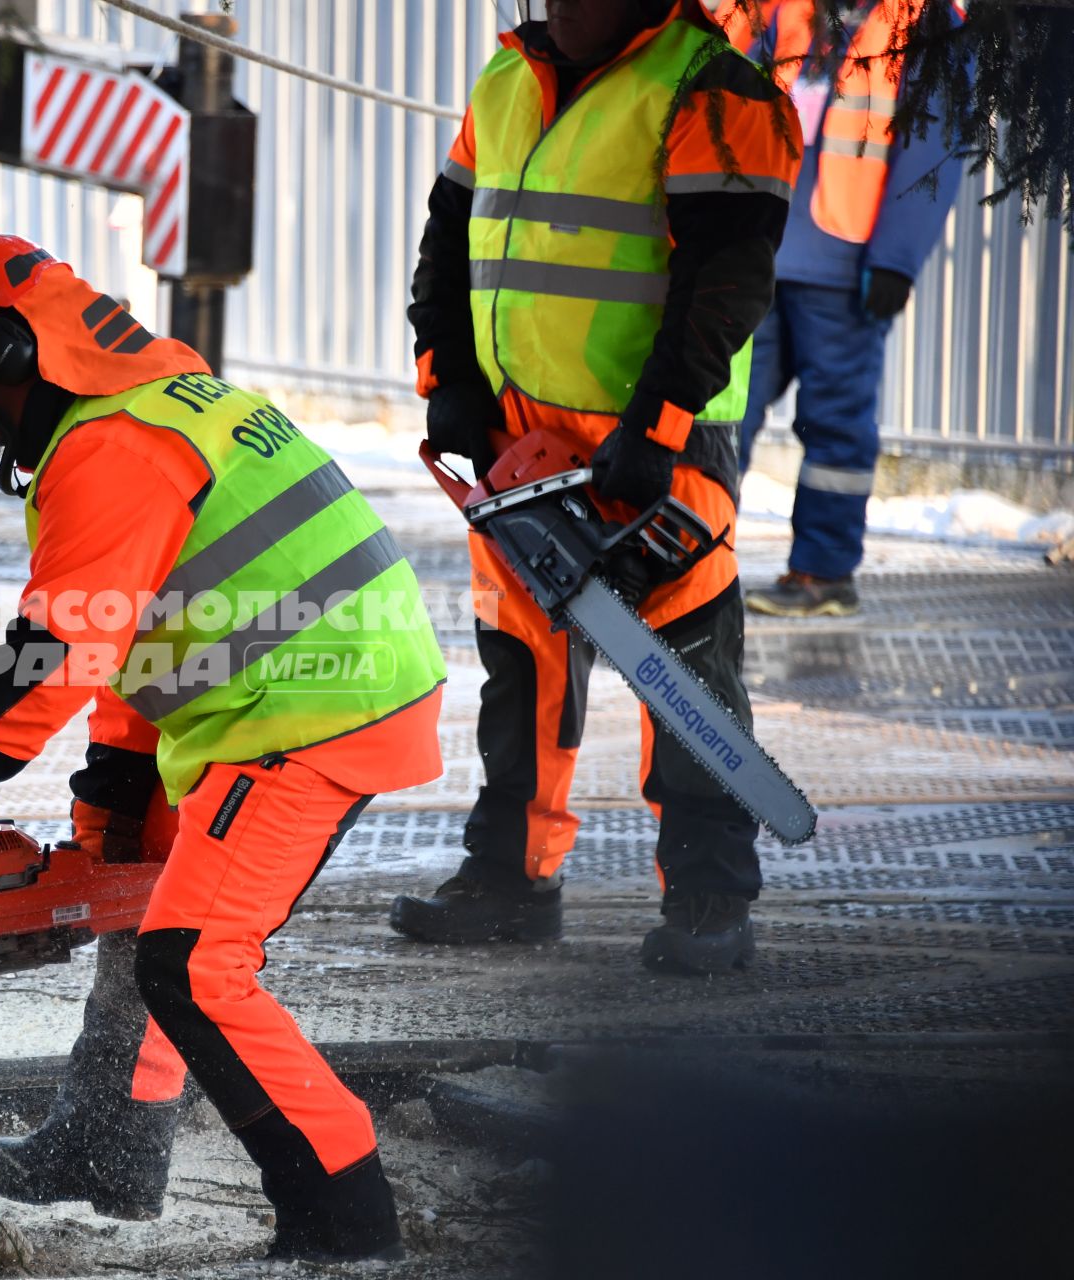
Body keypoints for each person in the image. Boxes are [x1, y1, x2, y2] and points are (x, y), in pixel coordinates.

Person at [0, 232, 448, 1260]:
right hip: (285, 692)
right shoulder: (158, 398)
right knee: (135, 879)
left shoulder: (109, 448)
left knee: (194, 961)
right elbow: (142, 616)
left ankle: (346, 1213)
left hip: (314, 714)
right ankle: (110, 1149)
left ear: (18, 354)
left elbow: (58, 643)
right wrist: (116, 778)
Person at [392, 0, 801, 973]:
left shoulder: (712, 88)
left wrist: (656, 425)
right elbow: (449, 243)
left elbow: (726, 280)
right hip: (518, 434)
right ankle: (510, 875)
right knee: (520, 664)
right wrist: (447, 376)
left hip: (652, 441)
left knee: (688, 669)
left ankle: (710, 898)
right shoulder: (504, 80)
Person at [733, 0, 967, 617]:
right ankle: (684, 557)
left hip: (846, 263)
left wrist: (897, 256)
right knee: (720, 416)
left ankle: (822, 571)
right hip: (760, 250)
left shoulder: (928, 24)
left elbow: (935, 145)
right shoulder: (785, 12)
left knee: (835, 424)